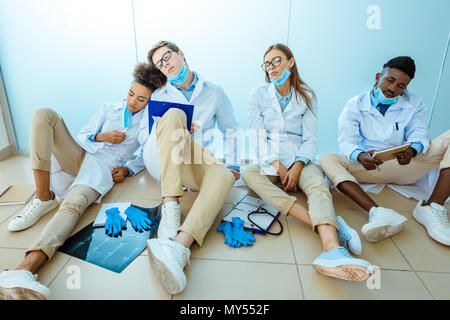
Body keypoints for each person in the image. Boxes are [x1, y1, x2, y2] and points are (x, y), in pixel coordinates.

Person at [0, 63, 166, 300]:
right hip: (79, 155)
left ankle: (24, 269)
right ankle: (42, 196)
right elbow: (82, 135)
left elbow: (144, 154)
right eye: (131, 94)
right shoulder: (108, 109)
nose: (132, 101)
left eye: (141, 99)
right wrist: (102, 136)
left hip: (101, 170)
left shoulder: (147, 123)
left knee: (73, 206)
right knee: (44, 114)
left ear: (150, 101)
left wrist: (128, 170)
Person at [241, 43, 373, 282]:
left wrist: (298, 165)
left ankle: (331, 249)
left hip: (300, 156)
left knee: (319, 186)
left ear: (290, 62)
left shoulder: (307, 94)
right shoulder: (258, 94)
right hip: (270, 158)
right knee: (248, 174)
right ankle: (331, 225)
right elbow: (257, 135)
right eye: (267, 63)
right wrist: (278, 166)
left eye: (276, 61)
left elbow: (311, 139)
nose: (271, 67)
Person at [137, 41, 240, 294]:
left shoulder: (214, 92)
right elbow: (142, 136)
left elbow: (231, 131)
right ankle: (171, 205)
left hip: (192, 162)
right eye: (160, 64)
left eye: (168, 56)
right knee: (173, 115)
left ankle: (180, 247)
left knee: (224, 175)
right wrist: (169, 127)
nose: (166, 64)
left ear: (181, 54)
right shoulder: (159, 95)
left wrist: (235, 163)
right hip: (163, 158)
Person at [319, 56, 450, 245]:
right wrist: (360, 155)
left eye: (401, 86)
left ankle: (432, 207)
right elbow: (347, 141)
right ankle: (378, 213)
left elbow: (420, 132)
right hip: (371, 168)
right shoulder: (355, 105)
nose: (393, 89)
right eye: (390, 80)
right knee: (327, 158)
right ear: (378, 76)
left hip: (406, 165)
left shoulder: (415, 103)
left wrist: (413, 150)